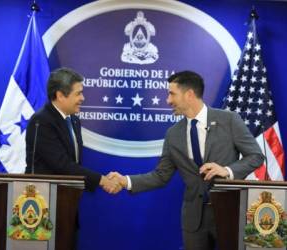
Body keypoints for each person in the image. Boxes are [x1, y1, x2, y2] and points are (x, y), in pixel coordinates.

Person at [108, 71, 264, 250]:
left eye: (171, 94)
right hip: (193, 219)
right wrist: (125, 180)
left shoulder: (229, 120)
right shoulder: (173, 134)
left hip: (229, 212)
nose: (168, 101)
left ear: (189, 94)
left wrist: (227, 170)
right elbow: (161, 176)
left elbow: (256, 156)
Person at [25, 67, 119, 193]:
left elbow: (74, 162)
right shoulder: (41, 121)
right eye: (78, 93)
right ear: (60, 96)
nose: (83, 98)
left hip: (69, 197)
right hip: (43, 199)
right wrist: (102, 180)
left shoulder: (73, 120)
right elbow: (61, 165)